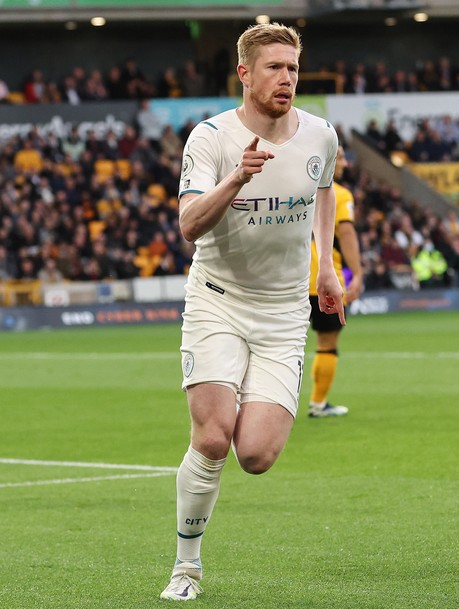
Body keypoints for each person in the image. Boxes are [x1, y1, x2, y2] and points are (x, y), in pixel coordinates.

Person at [160, 22, 344, 601]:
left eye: (293, 68)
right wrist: (237, 177)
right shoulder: (211, 139)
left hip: (285, 310)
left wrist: (327, 263)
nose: (287, 78)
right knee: (213, 439)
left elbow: (323, 192)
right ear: (245, 73)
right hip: (217, 300)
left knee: (256, 456)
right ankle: (186, 566)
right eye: (274, 68)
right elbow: (188, 226)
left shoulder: (320, 135)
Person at [307, 145, 363, 417]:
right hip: (324, 279)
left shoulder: (297, 189)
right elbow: (347, 233)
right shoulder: (339, 194)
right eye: (340, 157)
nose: (344, 163)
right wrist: (358, 272)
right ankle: (318, 403)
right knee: (326, 343)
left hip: (289, 278)